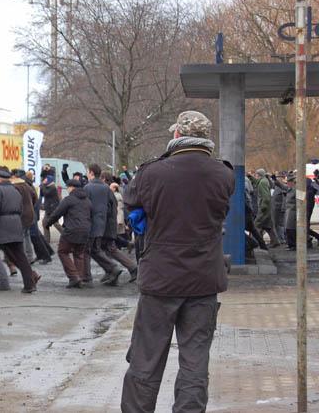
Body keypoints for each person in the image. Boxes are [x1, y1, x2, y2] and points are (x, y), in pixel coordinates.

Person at [120, 111, 234, 412]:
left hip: (160, 279)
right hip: (204, 279)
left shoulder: (152, 172)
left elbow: (131, 201)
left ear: (176, 136)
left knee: (146, 358)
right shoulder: (224, 174)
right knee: (195, 361)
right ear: (206, 139)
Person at [0, 168, 38, 294]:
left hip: (0, 226)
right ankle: (29, 285)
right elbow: (21, 208)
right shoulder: (15, 190)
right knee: (20, 256)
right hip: (16, 225)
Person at [44, 179, 91, 288]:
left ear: (71, 187)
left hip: (71, 230)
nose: (67, 189)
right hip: (85, 230)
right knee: (79, 254)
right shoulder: (87, 200)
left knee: (62, 251)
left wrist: (48, 223)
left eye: (68, 187)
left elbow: (57, 213)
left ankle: (74, 277)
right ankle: (79, 278)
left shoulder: (69, 199)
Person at [83, 164, 123, 286]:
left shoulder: (87, 187)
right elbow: (113, 205)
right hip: (101, 224)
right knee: (95, 250)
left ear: (91, 173)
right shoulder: (106, 188)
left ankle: (87, 278)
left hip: (90, 224)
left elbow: (84, 206)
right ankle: (112, 269)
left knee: (86, 251)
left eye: (87, 172)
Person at [250, 169, 280, 247]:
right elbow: (257, 182)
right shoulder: (264, 180)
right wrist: (251, 177)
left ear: (259, 175)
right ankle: (275, 241)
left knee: (256, 225)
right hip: (267, 208)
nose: (255, 176)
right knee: (268, 226)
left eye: (256, 174)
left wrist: (263, 207)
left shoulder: (262, 183)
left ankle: (257, 243)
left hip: (264, 208)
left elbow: (266, 197)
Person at [40, 175, 62, 244]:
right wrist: (42, 185)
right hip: (49, 209)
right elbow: (42, 194)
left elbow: (46, 193)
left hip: (53, 209)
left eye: (46, 179)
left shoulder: (52, 187)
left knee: (55, 224)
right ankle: (46, 240)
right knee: (45, 223)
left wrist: (42, 185)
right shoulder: (47, 186)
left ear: (49, 180)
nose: (44, 180)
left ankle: (66, 235)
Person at [281, 172, 297, 250]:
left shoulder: (296, 190)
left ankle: (293, 245)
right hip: (288, 211)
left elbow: (301, 201)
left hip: (293, 211)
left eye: (289, 182)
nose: (287, 183)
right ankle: (290, 244)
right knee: (287, 228)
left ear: (292, 182)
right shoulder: (289, 189)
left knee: (291, 229)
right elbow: (282, 186)